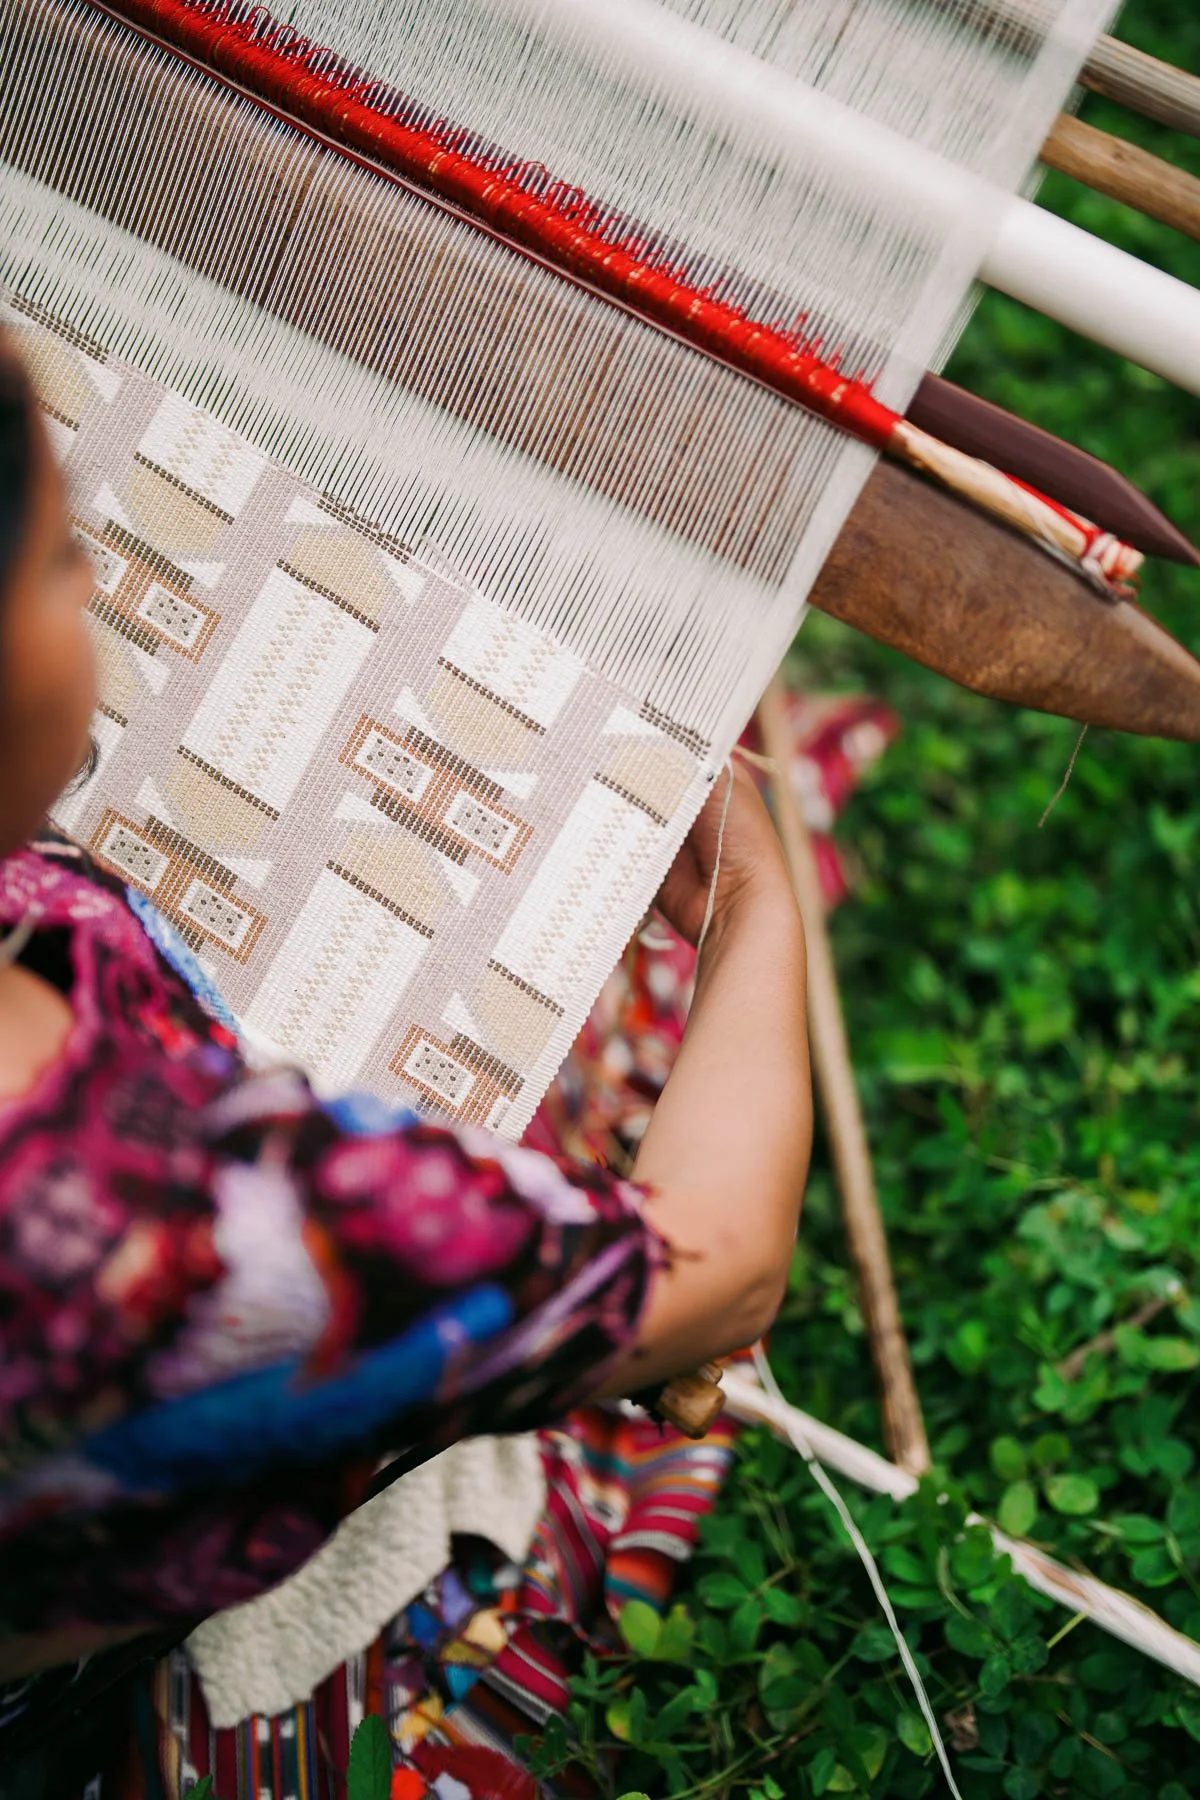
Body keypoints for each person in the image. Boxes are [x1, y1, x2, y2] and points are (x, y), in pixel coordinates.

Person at [0, 334, 810, 1795]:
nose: (103, 593)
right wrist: (761, 904)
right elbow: (726, 1263)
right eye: (65, 559)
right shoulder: (202, 1230)